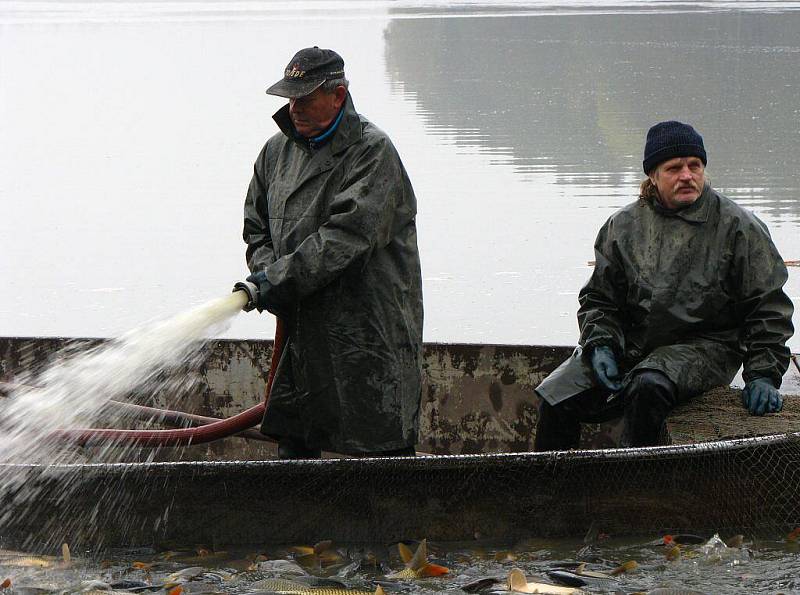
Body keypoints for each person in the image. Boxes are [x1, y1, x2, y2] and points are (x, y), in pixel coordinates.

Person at [534, 120, 795, 451]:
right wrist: (601, 344)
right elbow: (600, 299)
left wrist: (763, 374)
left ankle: (637, 487)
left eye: (694, 166)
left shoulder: (738, 227)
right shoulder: (623, 225)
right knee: (555, 396)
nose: (687, 175)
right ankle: (549, 492)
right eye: (674, 168)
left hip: (707, 345)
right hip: (632, 343)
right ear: (653, 176)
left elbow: (768, 307)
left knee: (648, 387)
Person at [242, 47, 423, 459]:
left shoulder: (373, 152)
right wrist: (265, 270)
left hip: (365, 329)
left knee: (379, 448)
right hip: (302, 330)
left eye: (305, 99)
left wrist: (277, 281)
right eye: (290, 98)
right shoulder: (275, 154)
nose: (295, 108)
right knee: (295, 441)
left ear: (338, 96)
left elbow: (344, 238)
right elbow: (256, 226)